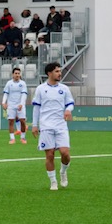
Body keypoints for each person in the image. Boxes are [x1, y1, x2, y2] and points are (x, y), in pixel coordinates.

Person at [31, 62, 74, 191]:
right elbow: (36, 108)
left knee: (65, 153)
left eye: (60, 71)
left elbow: (70, 103)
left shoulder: (64, 88)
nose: (60, 73)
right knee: (49, 155)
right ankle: (53, 182)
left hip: (61, 125)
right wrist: (34, 125)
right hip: (46, 126)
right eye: (57, 71)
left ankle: (63, 172)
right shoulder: (40, 89)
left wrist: (68, 110)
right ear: (49, 73)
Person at [2, 67, 28, 144]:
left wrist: (21, 104)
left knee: (22, 121)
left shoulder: (23, 83)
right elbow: (6, 93)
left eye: (18, 73)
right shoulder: (9, 83)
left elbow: (24, 94)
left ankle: (23, 137)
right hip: (11, 105)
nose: (17, 75)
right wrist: (3, 102)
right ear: (12, 74)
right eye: (16, 73)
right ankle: (12, 138)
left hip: (20, 105)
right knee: (11, 121)